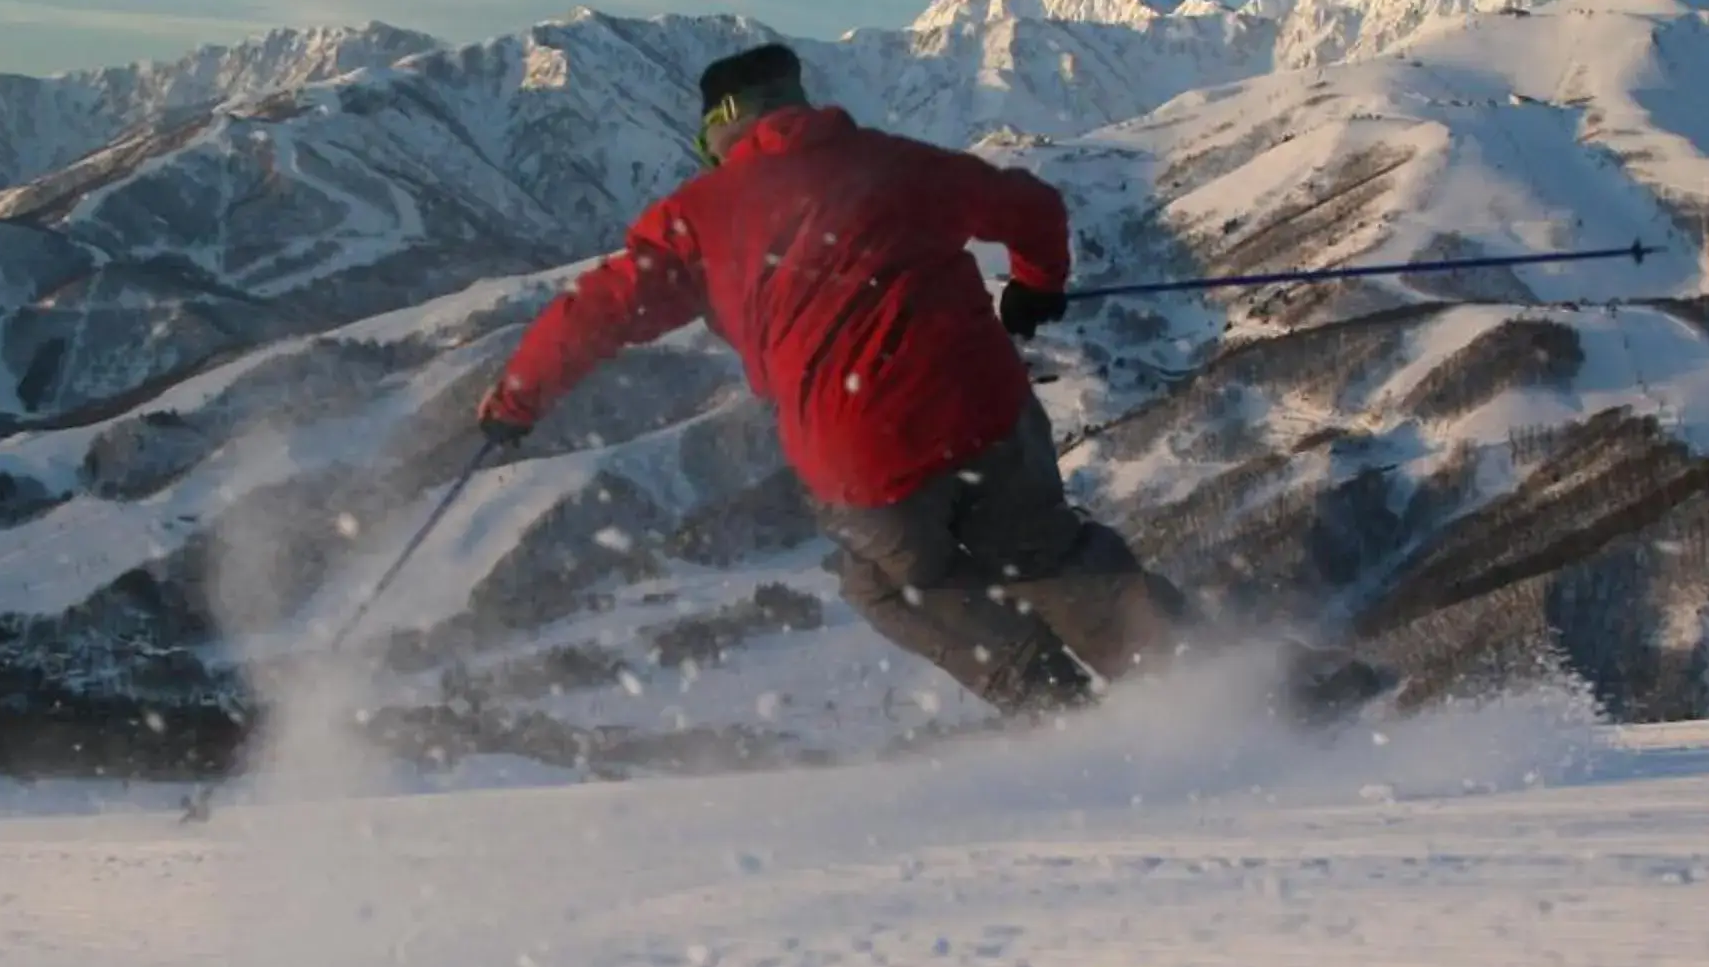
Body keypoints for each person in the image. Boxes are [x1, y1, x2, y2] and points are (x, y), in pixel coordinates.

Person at [474, 42, 1186, 717]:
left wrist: (516, 401)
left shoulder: (697, 218)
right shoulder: (898, 164)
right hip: (985, 411)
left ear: (721, 130)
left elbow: (593, 314)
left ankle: (1054, 704)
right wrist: (1037, 283)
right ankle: (1203, 681)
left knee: (888, 583)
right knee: (1049, 554)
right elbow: (1031, 207)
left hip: (864, 455)